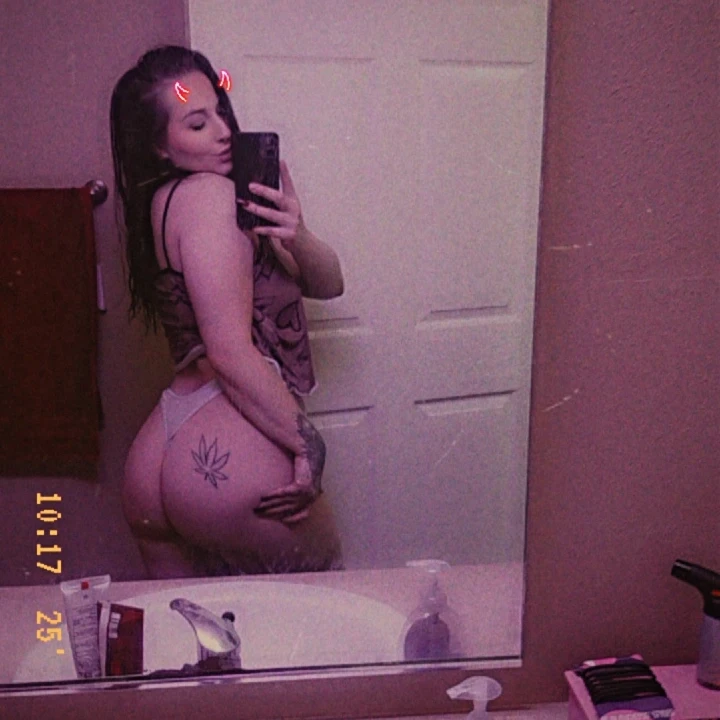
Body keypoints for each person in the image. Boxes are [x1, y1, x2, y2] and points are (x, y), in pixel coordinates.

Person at [110, 45, 344, 577]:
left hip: (161, 446)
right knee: (323, 598)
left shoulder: (167, 203)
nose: (222, 132)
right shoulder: (212, 198)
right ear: (159, 145)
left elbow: (329, 284)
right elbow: (229, 350)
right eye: (197, 124)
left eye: (221, 112)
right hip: (228, 441)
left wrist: (297, 234)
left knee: (188, 624)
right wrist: (308, 444)